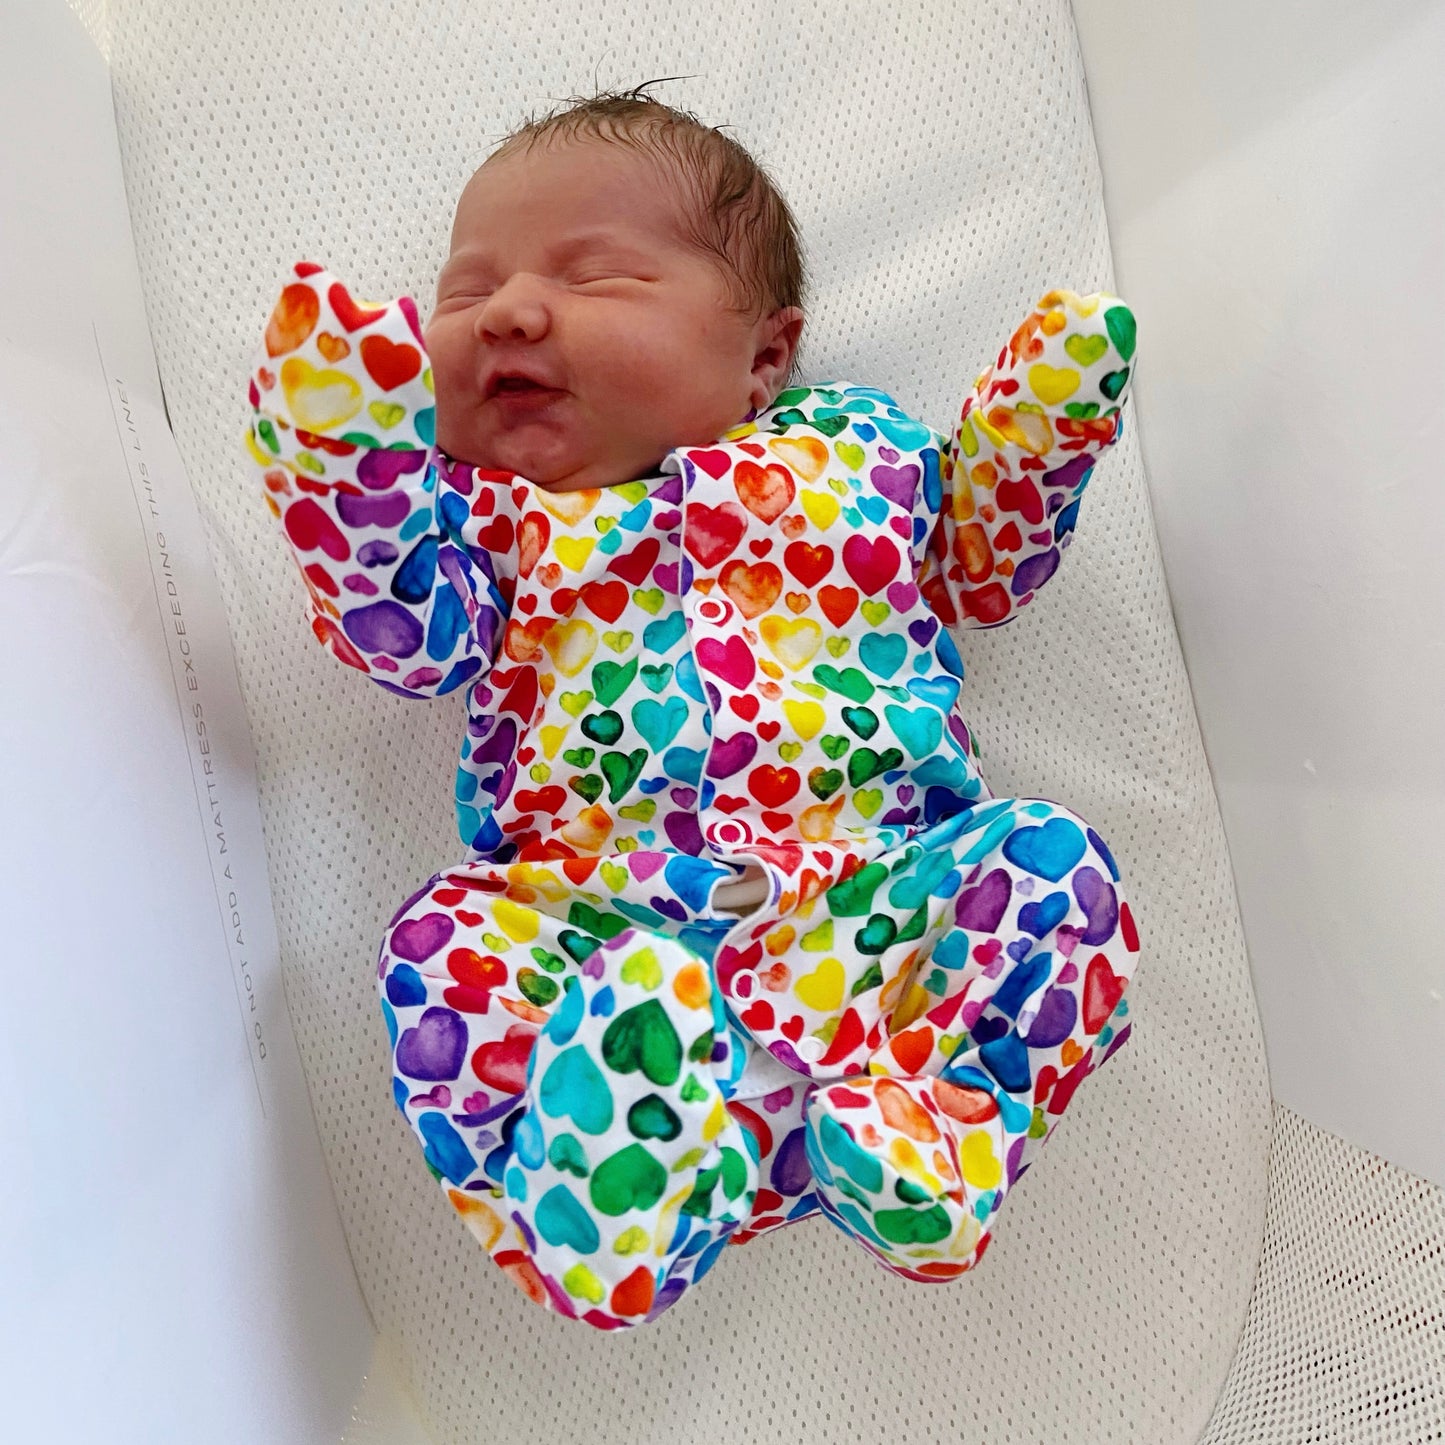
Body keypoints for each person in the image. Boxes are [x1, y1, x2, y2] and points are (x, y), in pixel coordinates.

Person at [247, 89, 1141, 1330]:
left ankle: (937, 1128)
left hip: (873, 919)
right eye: (465, 292)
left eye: (595, 277)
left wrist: (1034, 433)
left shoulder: (858, 452)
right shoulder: (492, 518)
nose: (507, 311)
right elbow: (404, 638)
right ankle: (604, 1200)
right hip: (596, 943)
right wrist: (353, 469)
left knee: (1054, 869)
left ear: (765, 358)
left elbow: (979, 567)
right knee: (444, 947)